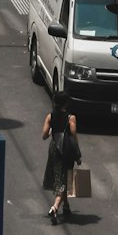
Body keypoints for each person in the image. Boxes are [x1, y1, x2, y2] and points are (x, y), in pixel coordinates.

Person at [41, 91, 80, 224]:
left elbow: (44, 135)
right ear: (67, 103)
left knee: (60, 176)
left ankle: (66, 205)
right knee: (66, 178)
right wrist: (78, 155)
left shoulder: (50, 116)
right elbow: (74, 137)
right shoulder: (71, 118)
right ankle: (55, 207)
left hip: (54, 148)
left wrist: (52, 130)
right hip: (67, 150)